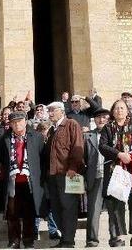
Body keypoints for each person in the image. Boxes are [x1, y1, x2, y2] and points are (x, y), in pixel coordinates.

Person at [99, 99, 132, 247]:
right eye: (117, 108)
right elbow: (103, 146)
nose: (119, 110)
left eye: (122, 108)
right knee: (116, 204)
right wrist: (119, 154)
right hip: (115, 170)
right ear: (113, 112)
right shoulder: (108, 127)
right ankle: (117, 237)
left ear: (127, 111)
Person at [0, 111, 46, 249]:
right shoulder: (5, 139)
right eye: (13, 122)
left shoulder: (36, 137)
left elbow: (42, 159)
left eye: (19, 121)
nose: (17, 124)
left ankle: (28, 240)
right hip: (13, 181)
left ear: (25, 122)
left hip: (29, 181)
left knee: (29, 212)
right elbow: (2, 159)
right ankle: (14, 240)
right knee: (12, 212)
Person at [44, 101, 85, 248]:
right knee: (56, 208)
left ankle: (69, 240)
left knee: (68, 207)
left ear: (61, 111)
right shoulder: (51, 130)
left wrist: (73, 168)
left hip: (68, 174)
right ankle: (64, 238)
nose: (49, 113)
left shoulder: (71, 124)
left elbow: (78, 148)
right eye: (48, 111)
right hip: (53, 175)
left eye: (52, 110)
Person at [83, 108, 110, 247]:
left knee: (114, 210)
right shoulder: (87, 136)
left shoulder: (114, 134)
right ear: (94, 120)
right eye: (98, 117)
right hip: (96, 175)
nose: (101, 120)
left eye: (104, 117)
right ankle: (92, 240)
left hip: (112, 176)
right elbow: (82, 159)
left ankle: (116, 238)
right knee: (93, 209)